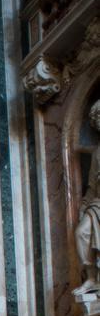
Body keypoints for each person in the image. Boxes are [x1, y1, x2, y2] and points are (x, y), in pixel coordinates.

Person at [73, 99, 100, 298]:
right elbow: (91, 185)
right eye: (97, 119)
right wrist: (83, 205)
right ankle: (91, 277)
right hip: (97, 202)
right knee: (81, 231)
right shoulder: (98, 153)